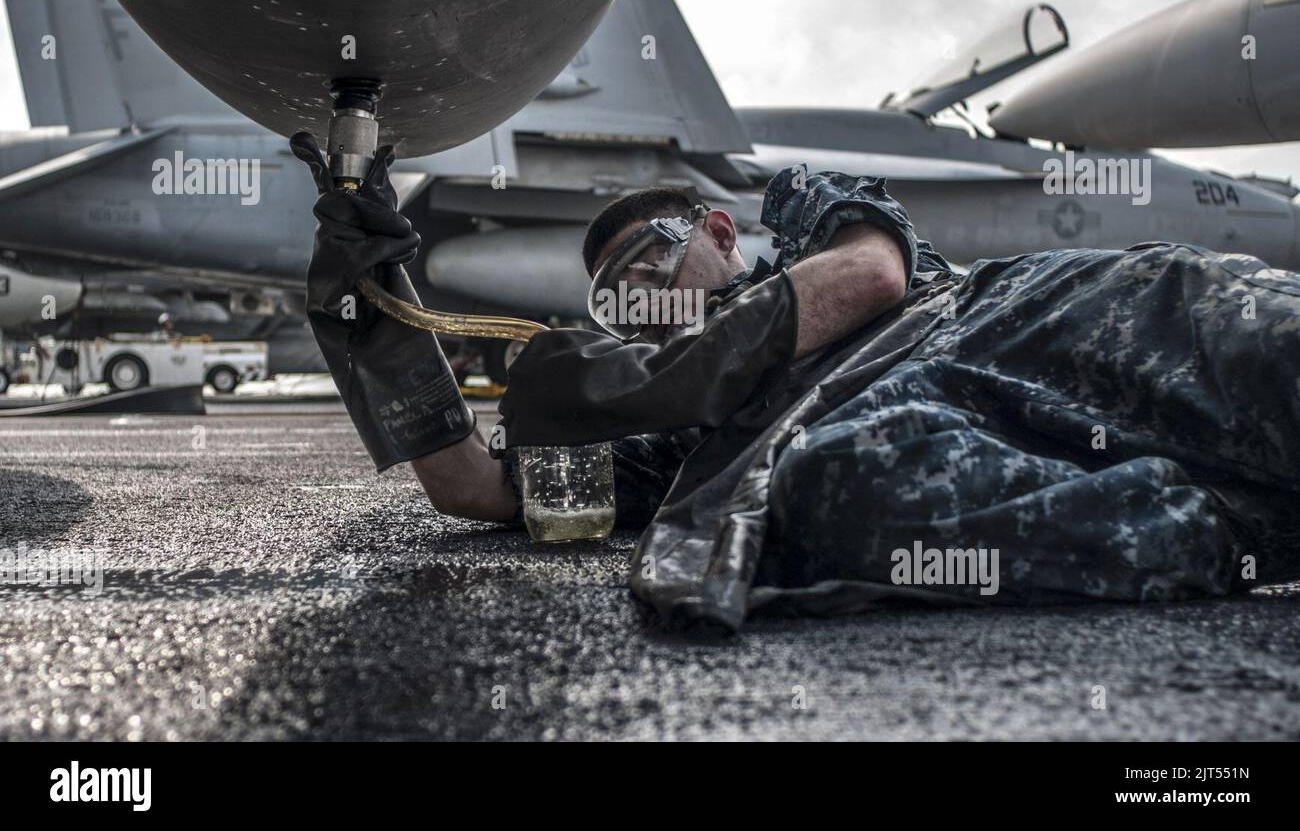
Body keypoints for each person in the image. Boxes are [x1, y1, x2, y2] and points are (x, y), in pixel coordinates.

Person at [292, 133, 1300, 632]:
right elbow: (475, 485)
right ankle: (1251, 526)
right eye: (612, 299)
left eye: (647, 266)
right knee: (817, 493)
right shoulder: (681, 443)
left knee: (1258, 351)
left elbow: (872, 277)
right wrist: (374, 313)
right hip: (893, 436)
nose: (635, 298)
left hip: (1013, 321)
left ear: (719, 232)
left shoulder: (808, 213)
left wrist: (670, 375)